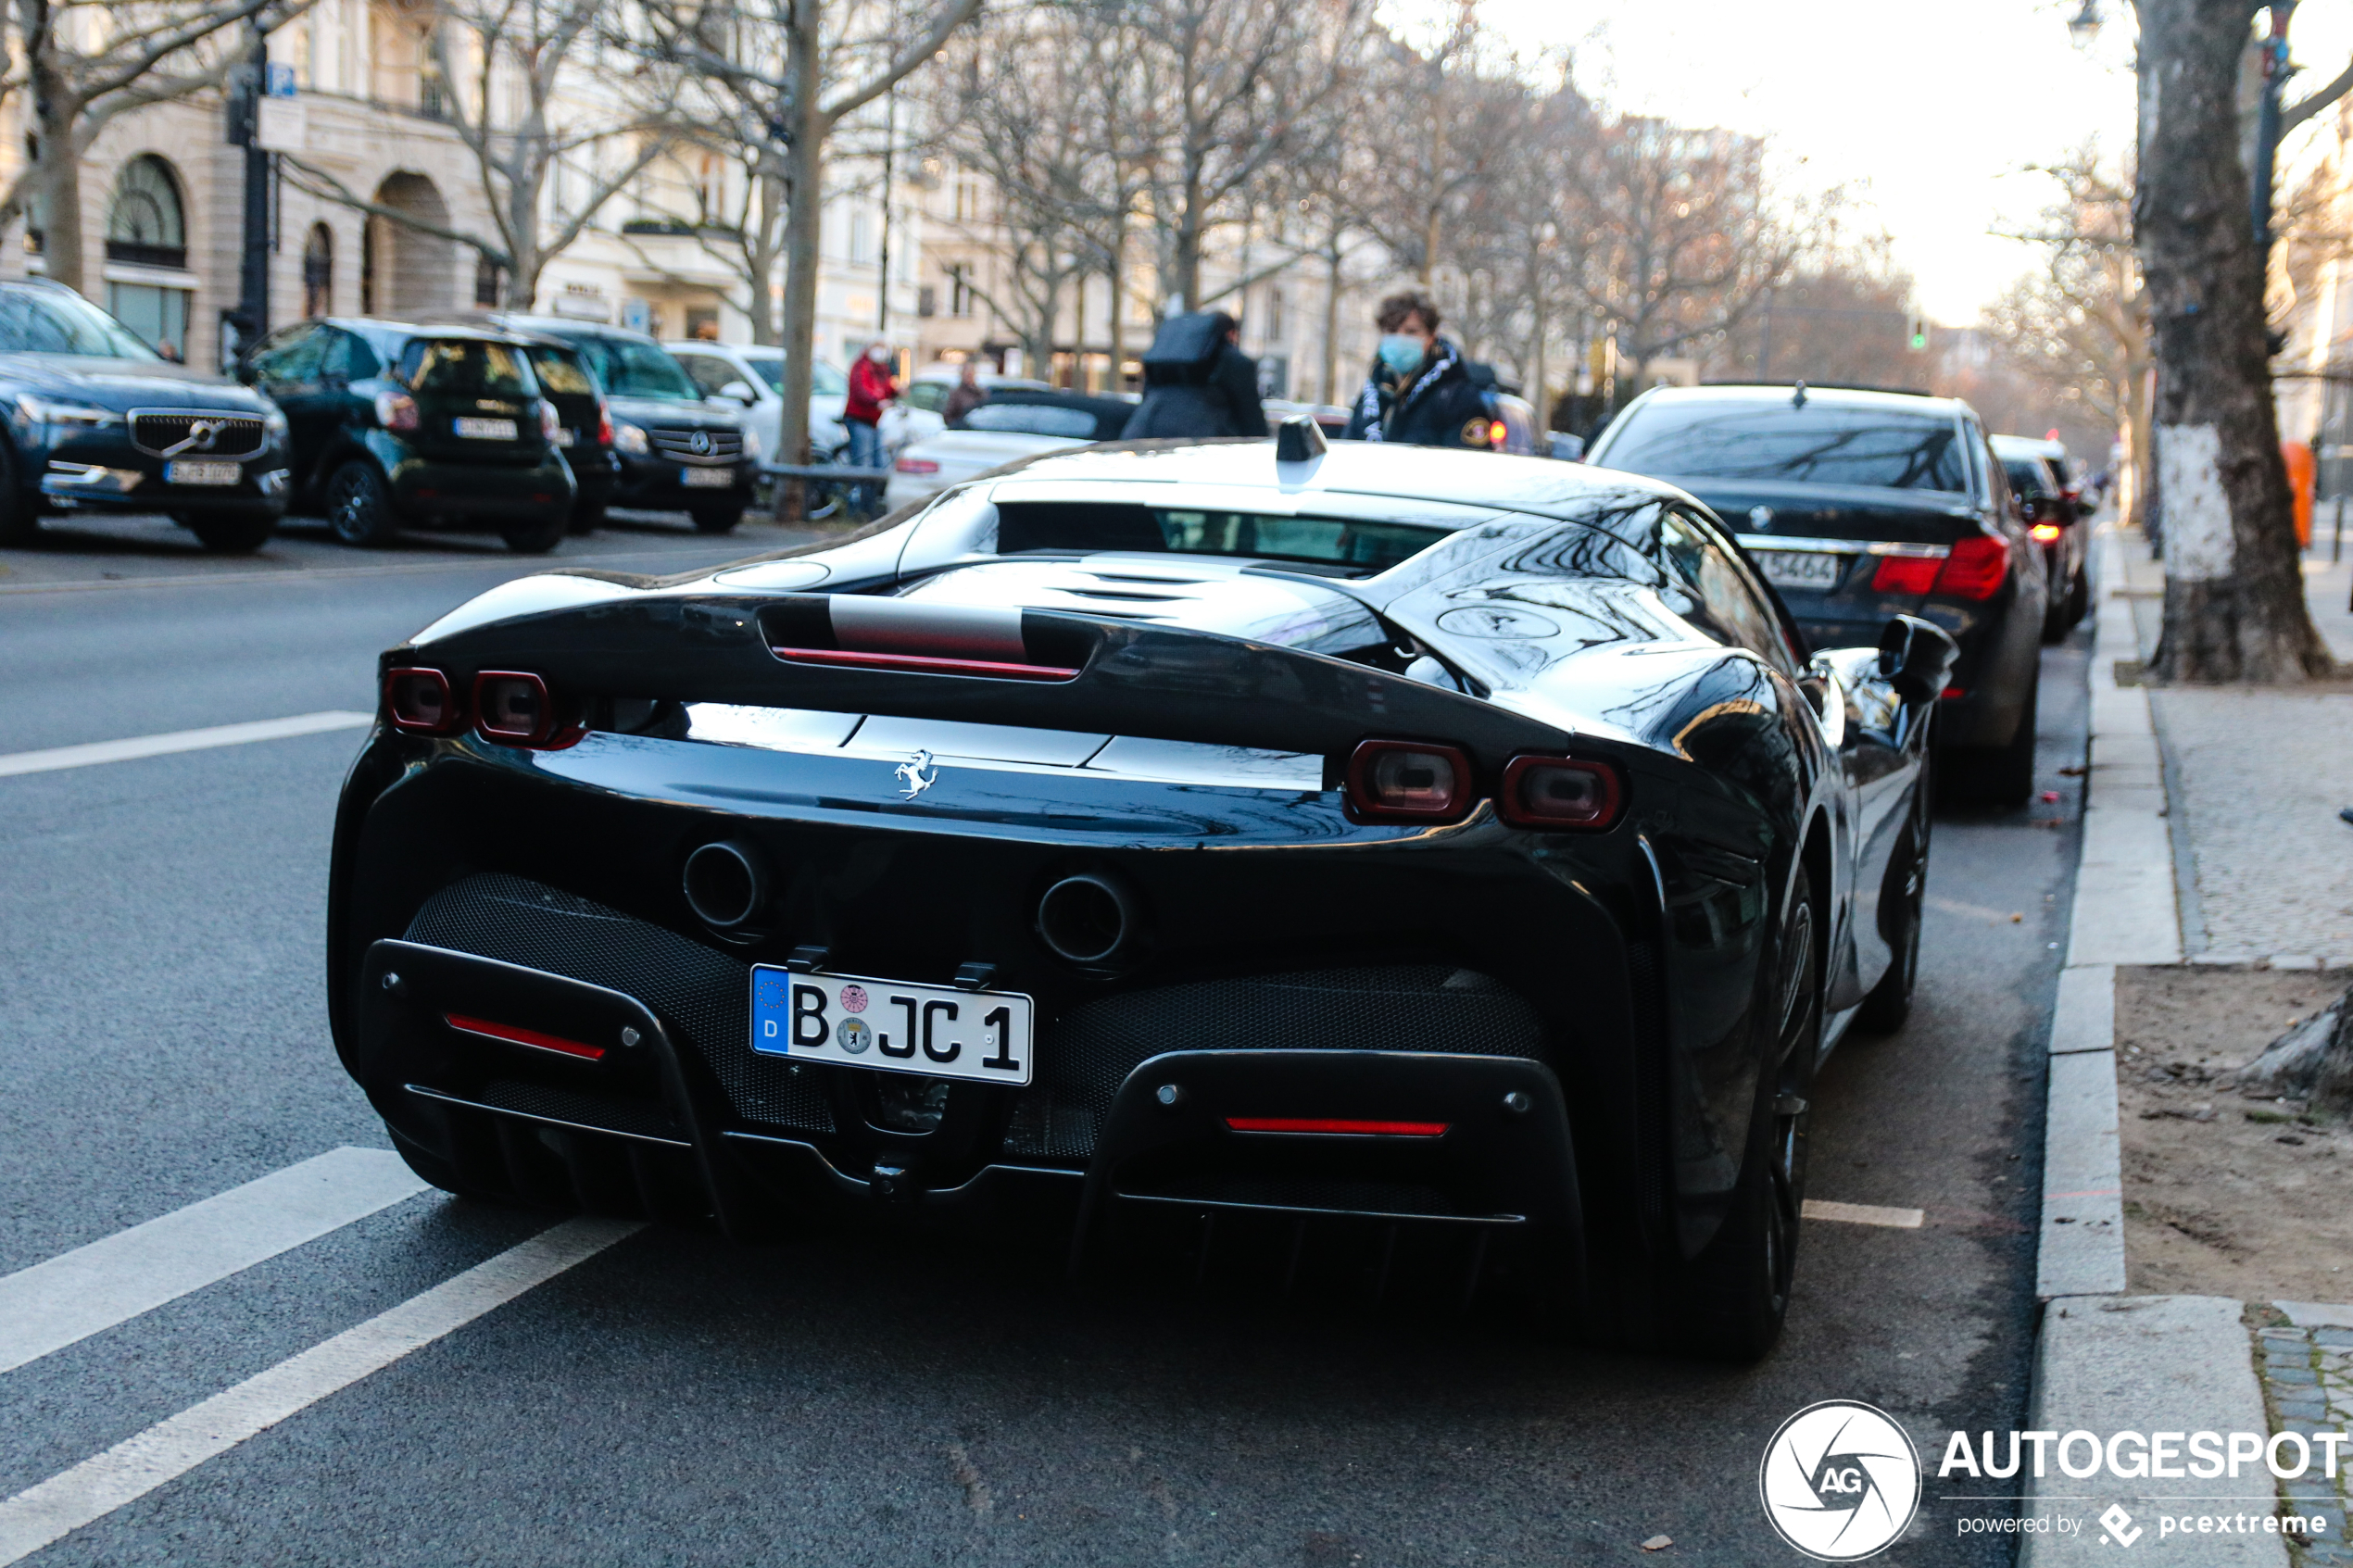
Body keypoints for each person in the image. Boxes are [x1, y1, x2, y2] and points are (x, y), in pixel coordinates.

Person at [1341, 290, 1499, 449]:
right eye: (1392, 330)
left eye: (1411, 332)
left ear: (1431, 337)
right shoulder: (1371, 394)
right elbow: (1348, 452)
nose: (1400, 338)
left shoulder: (1458, 397)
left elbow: (1471, 464)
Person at [1121, 309, 1268, 440]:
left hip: (1140, 434)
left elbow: (1145, 395)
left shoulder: (1166, 359)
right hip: (1201, 445)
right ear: (1231, 333)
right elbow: (1251, 418)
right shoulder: (1236, 362)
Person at [844, 341, 898, 511]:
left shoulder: (882, 369)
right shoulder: (861, 367)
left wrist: (896, 391)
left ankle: (869, 505)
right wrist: (876, 402)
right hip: (860, 418)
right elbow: (860, 391)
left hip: (874, 421)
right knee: (863, 463)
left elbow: (887, 387)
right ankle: (856, 506)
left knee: (877, 463)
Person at [942, 361, 988, 425]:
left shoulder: (981, 392)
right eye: (967, 373)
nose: (969, 375)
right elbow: (948, 415)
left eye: (971, 372)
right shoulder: (956, 393)